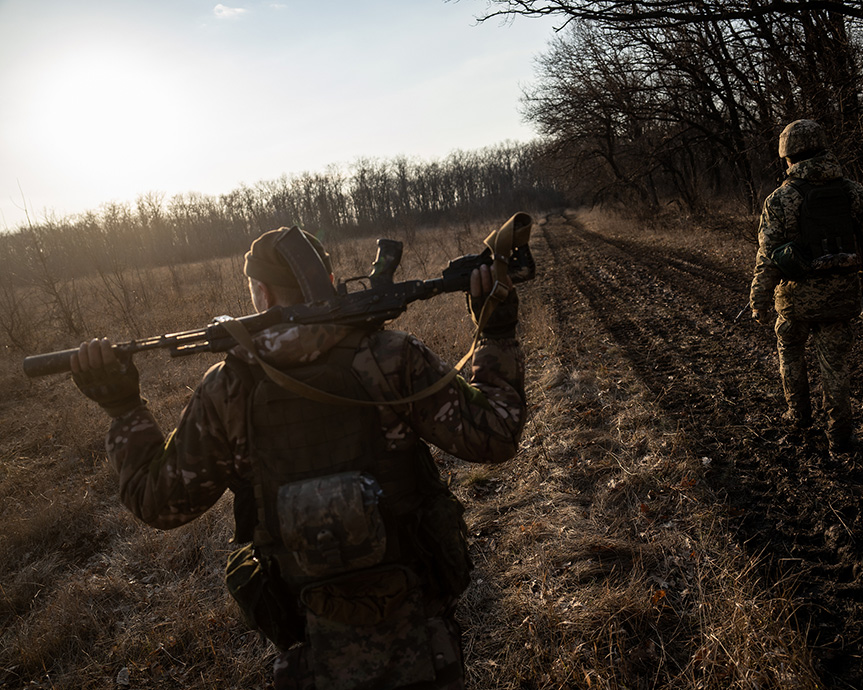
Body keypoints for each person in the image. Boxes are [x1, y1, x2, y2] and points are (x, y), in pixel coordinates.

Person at [68, 226, 527, 690]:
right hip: (422, 638)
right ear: (328, 279)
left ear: (261, 295)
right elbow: (497, 435)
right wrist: (496, 331)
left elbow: (158, 502)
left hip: (312, 647)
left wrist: (124, 408)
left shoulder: (227, 388)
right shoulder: (392, 357)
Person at [749, 119, 863, 453]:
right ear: (823, 147)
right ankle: (840, 435)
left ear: (787, 155)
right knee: (835, 367)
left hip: (795, 300)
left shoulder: (780, 199)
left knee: (790, 351)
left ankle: (798, 415)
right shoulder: (853, 191)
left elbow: (768, 258)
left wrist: (759, 300)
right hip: (841, 297)